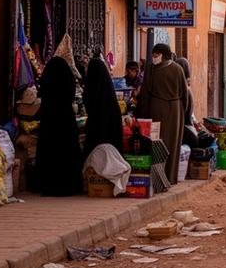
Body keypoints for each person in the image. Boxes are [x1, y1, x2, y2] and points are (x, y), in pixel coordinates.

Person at [136, 43, 187, 183]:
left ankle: (159, 178)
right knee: (169, 143)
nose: (154, 57)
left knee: (159, 142)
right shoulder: (178, 69)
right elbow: (185, 95)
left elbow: (145, 94)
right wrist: (183, 113)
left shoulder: (151, 69)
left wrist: (143, 115)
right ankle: (168, 177)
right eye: (153, 55)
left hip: (157, 109)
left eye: (156, 54)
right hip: (176, 111)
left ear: (163, 55)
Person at [35, 56, 82, 196]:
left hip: (49, 122)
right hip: (66, 121)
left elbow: (41, 91)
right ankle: (69, 186)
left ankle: (48, 186)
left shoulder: (48, 92)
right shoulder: (68, 83)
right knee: (67, 153)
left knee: (50, 153)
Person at [83, 55, 124, 155]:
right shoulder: (110, 95)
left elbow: (88, 103)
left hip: (96, 135)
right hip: (113, 149)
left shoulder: (91, 89)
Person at [175, 57, 199, 149]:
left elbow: (184, 113)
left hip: (185, 133)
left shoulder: (182, 90)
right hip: (190, 130)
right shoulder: (187, 88)